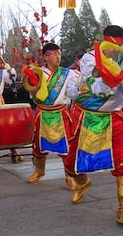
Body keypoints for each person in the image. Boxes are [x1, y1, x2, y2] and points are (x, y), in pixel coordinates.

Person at [62, 25, 123, 226]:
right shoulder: (90, 58)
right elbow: (96, 86)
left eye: (120, 45)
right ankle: (82, 183)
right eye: (113, 44)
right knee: (70, 162)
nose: (117, 49)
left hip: (113, 117)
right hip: (87, 117)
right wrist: (115, 81)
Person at [22, 43, 80, 188]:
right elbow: (32, 94)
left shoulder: (68, 74)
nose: (59, 57)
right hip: (42, 112)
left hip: (61, 113)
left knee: (67, 146)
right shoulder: (37, 73)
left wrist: (81, 89)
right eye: (55, 54)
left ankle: (69, 176)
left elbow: (72, 93)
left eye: (59, 54)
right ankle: (39, 170)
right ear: (46, 56)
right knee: (38, 145)